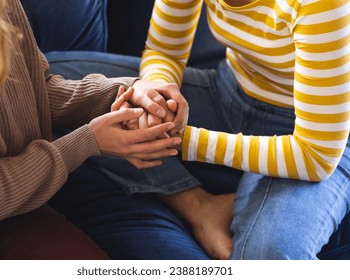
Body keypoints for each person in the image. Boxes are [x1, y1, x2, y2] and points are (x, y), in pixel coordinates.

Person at [81, 0, 349, 260]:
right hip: (228, 93)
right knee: (52, 92)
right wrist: (156, 94)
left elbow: (316, 156)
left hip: (315, 131)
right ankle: (198, 205)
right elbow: (164, 50)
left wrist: (177, 140)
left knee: (268, 257)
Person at [0, 0, 182, 259]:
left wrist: (128, 92)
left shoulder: (0, 6)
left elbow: (36, 91)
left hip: (16, 209)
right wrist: (86, 142)